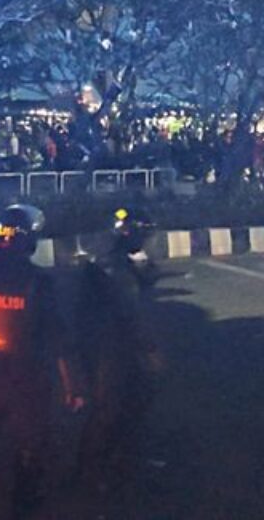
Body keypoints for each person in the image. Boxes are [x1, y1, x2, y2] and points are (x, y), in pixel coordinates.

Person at [0, 205, 81, 520]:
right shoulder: (38, 280)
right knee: (30, 452)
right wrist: (72, 387)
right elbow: (56, 337)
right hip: (26, 378)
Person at [74, 207, 163, 498]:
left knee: (127, 403)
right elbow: (130, 311)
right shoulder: (115, 267)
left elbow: (149, 279)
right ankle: (93, 471)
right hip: (111, 347)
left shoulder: (111, 259)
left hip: (105, 344)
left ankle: (115, 463)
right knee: (110, 409)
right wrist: (149, 348)